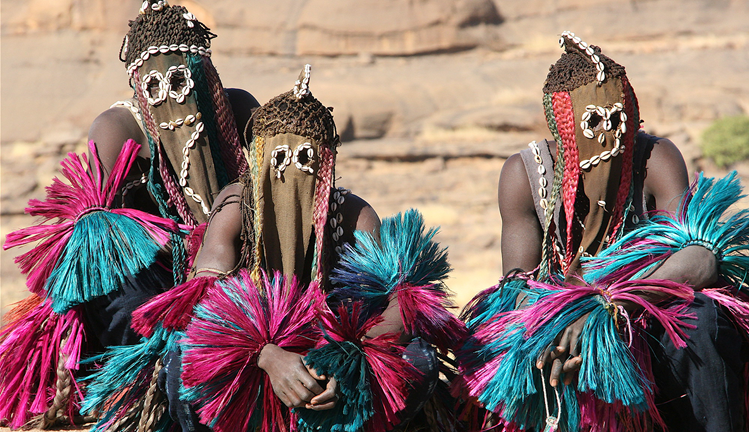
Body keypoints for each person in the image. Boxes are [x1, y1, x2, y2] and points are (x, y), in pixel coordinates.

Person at [82, 65, 467, 432]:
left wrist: (346, 359)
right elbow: (203, 303)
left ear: (327, 164)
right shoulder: (236, 207)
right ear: (258, 159)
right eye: (279, 159)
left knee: (418, 359)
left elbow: (401, 300)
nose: (290, 174)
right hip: (251, 357)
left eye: (306, 160)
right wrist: (267, 355)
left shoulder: (352, 215)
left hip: (329, 360)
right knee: (181, 358)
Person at [458, 31, 749, 432]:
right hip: (557, 316)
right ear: (564, 126)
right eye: (593, 122)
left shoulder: (655, 158)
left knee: (702, 320)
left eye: (620, 119)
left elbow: (699, 257)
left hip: (648, 306)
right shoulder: (524, 175)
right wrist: (555, 327)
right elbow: (517, 283)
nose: (611, 135)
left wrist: (608, 304)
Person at [0, 0, 257, 428]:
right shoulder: (117, 129)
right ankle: (138, 393)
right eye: (154, 86)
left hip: (238, 251)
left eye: (183, 80)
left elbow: (278, 184)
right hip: (157, 267)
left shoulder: (236, 109)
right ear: (139, 85)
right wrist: (185, 245)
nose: (172, 98)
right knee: (123, 301)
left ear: (205, 73)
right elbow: (102, 235)